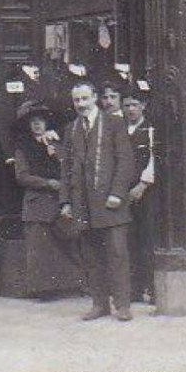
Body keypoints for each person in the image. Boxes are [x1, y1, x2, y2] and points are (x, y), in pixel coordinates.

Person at [59, 81, 137, 321]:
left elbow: (125, 161)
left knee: (117, 255)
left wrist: (117, 193)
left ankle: (122, 305)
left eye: (85, 99)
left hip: (110, 203)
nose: (80, 104)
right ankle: (99, 304)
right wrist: (66, 202)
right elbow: (66, 168)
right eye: (76, 100)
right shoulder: (71, 129)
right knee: (91, 256)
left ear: (95, 98)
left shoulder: (114, 123)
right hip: (83, 204)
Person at [10, 103, 82, 299]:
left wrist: (55, 151)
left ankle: (69, 285)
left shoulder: (56, 144)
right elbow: (22, 176)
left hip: (59, 201)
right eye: (33, 122)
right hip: (37, 203)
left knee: (64, 245)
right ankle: (43, 289)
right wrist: (49, 183)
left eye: (40, 122)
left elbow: (67, 166)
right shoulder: (23, 148)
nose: (37, 125)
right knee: (40, 249)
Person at [122, 91, 157, 304]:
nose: (131, 109)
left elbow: (154, 158)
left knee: (148, 239)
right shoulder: (118, 129)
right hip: (124, 192)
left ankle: (152, 288)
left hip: (146, 193)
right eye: (126, 105)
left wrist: (143, 184)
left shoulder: (151, 129)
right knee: (129, 240)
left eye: (134, 104)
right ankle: (134, 289)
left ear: (143, 106)